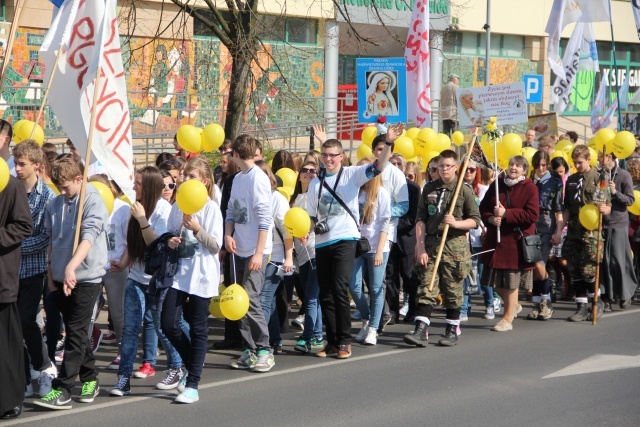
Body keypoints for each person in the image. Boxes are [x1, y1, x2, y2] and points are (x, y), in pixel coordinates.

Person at [306, 126, 396, 359]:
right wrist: (306, 230)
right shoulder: (316, 183)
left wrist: (388, 142)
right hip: (322, 242)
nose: (328, 159)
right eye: (325, 156)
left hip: (346, 239)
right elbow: (312, 215)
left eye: (333, 155)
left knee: (339, 287)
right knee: (325, 293)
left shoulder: (351, 174)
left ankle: (345, 341)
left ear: (341, 157)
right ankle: (332, 341)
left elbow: (379, 166)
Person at [35, 157, 108, 409]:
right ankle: (90, 377)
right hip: (59, 279)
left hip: (86, 278)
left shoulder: (92, 200)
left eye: (66, 187)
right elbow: (51, 241)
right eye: (58, 187)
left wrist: (71, 266)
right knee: (76, 332)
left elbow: (89, 235)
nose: (62, 192)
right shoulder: (55, 204)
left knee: (75, 333)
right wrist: (53, 275)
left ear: (79, 179)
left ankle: (63, 389)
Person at [110, 166, 185, 397]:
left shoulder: (163, 210)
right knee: (131, 329)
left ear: (151, 186)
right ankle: (123, 379)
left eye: (139, 183)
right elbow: (133, 243)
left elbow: (157, 244)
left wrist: (142, 219)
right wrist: (123, 263)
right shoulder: (134, 209)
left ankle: (177, 367)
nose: (134, 187)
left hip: (158, 281)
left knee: (164, 327)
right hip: (135, 278)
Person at [404, 150, 481, 347]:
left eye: (448, 166)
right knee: (427, 285)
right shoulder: (430, 188)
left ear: (456, 167)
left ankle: (451, 329)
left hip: (454, 247)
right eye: (441, 166)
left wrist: (456, 223)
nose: (444, 170)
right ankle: (421, 329)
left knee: (452, 289)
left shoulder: (463, 190)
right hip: (431, 244)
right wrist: (420, 247)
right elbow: (420, 219)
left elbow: (475, 221)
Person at [163, 157, 223, 403]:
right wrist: (170, 241)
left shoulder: (210, 208)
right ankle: (192, 364)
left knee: (198, 327)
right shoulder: (178, 205)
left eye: (192, 177)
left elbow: (215, 245)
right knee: (168, 323)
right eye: (184, 176)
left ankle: (193, 384)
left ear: (205, 182)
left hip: (202, 274)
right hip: (179, 274)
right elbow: (168, 234)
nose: (185, 180)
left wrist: (197, 229)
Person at [12, 141, 58, 398]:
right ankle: (25, 374)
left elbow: (44, 237)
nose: (17, 169)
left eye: (22, 164)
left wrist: (13, 244)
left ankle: (44, 366)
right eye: (15, 163)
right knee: (12, 325)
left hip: (33, 270)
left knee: (26, 319)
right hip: (10, 271)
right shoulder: (10, 191)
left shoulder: (48, 198)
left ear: (37, 166)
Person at [225, 134, 275, 372]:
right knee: (239, 300)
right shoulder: (237, 179)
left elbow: (265, 219)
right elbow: (231, 210)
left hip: (257, 251)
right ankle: (250, 349)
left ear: (235, 154)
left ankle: (265, 349)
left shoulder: (258, 179)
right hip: (240, 248)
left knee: (251, 299)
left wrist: (258, 253)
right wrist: (228, 234)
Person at [479, 155, 539, 332]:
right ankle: (513, 306)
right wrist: (490, 218)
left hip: (515, 242)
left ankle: (507, 318)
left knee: (511, 283)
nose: (513, 168)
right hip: (496, 241)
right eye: (511, 164)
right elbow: (483, 207)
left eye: (518, 166)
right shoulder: (497, 185)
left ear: (524, 170)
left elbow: (532, 215)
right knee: (493, 282)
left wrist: (507, 214)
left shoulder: (530, 187)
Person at [562, 146, 611, 322]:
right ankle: (581, 308)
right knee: (573, 268)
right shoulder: (572, 179)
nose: (577, 165)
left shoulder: (599, 177)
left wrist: (606, 208)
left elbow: (607, 203)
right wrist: (559, 229)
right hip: (574, 228)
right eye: (575, 163)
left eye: (580, 162)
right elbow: (567, 206)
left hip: (591, 230)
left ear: (588, 159)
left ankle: (596, 302)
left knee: (588, 269)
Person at [0, 170, 33, 420]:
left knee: (6, 344)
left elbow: (24, 225)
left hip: (2, 278)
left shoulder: (11, 185)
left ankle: (11, 398)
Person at [350, 158, 391, 345]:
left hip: (377, 247)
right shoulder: (355, 192)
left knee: (375, 288)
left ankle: (374, 328)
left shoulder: (381, 193)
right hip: (358, 246)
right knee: (354, 286)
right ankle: (366, 320)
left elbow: (384, 224)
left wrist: (379, 251)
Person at [255, 160, 294, 354]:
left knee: (262, 300)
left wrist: (289, 257)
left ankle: (260, 345)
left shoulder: (277, 199)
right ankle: (275, 339)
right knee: (268, 302)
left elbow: (288, 231)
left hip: (276, 256)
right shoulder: (252, 198)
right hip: (258, 255)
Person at [371, 134, 409, 327]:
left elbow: (403, 206)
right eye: (378, 149)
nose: (382, 152)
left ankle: (386, 314)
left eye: (385, 149)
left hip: (387, 234)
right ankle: (373, 313)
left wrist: (381, 212)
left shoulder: (396, 174)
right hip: (365, 234)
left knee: (386, 276)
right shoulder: (367, 171)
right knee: (363, 280)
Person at [527, 151, 564, 320]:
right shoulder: (528, 181)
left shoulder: (555, 182)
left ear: (548, 164)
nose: (540, 169)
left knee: (539, 263)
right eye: (537, 165)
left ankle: (547, 302)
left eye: (543, 165)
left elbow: (559, 210)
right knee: (533, 265)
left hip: (547, 224)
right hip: (530, 224)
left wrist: (558, 232)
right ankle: (536, 303)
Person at [291, 161, 324, 354]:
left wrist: (308, 229)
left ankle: (308, 336)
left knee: (311, 297)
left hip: (316, 251)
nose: (309, 173)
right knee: (311, 298)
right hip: (300, 255)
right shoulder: (294, 199)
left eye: (314, 171)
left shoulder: (318, 197)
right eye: (305, 170)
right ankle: (318, 334)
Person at [598, 151, 637, 310]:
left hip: (618, 223)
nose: (601, 160)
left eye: (603, 157)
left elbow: (630, 200)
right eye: (599, 157)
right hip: (602, 222)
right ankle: (607, 296)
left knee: (619, 261)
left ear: (612, 158)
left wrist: (615, 193)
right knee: (603, 262)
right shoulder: (600, 175)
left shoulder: (624, 175)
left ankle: (625, 294)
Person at [388, 154, 421, 322]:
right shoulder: (383, 186)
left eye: (398, 163)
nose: (395, 166)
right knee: (390, 277)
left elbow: (412, 217)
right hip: (388, 239)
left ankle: (414, 309)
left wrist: (392, 225)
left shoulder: (413, 188)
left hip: (406, 238)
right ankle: (392, 313)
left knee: (409, 276)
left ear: (403, 167)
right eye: (391, 163)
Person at [459, 159, 492, 321]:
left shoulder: (484, 189)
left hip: (480, 238)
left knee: (481, 273)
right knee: (465, 273)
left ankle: (489, 304)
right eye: (465, 169)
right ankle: (465, 307)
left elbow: (486, 213)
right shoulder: (458, 189)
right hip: (464, 239)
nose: (468, 173)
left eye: (472, 169)